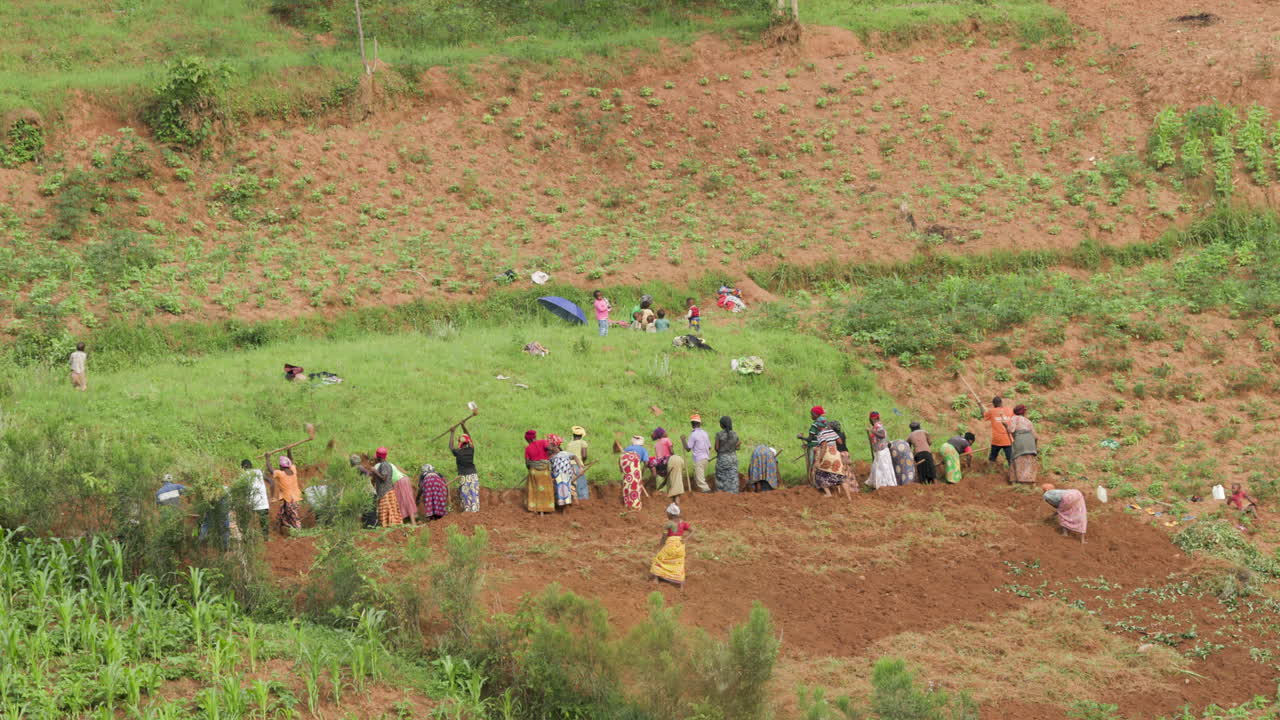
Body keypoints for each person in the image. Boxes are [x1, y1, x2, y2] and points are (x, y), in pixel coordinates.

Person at [650, 503, 692, 588]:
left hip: (671, 545)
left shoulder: (668, 524)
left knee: (658, 559)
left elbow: (664, 537)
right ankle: (680, 584)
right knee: (678, 563)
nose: (667, 515)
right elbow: (692, 531)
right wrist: (685, 539)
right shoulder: (683, 523)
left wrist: (660, 546)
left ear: (671, 514)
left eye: (667, 513)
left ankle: (656, 579)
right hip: (680, 546)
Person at [812, 424, 850, 498]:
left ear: (819, 427)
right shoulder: (832, 432)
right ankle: (849, 498)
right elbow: (840, 442)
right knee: (841, 476)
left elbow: (824, 446)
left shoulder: (820, 434)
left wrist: (819, 459)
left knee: (819, 474)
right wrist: (832, 443)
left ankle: (828, 493)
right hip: (836, 455)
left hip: (827, 455)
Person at [524, 430, 555, 515]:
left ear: (528, 439)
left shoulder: (528, 448)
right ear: (535, 437)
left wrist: (530, 469)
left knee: (534, 489)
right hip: (544, 471)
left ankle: (535, 508)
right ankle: (546, 508)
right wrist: (548, 455)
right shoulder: (543, 442)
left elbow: (527, 463)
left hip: (534, 471)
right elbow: (551, 449)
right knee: (546, 489)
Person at [449, 427, 480, 513]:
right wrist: (463, 426)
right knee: (474, 494)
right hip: (473, 476)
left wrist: (452, 432)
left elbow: (451, 447)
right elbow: (469, 436)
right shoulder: (471, 449)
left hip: (464, 477)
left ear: (460, 443)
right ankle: (475, 511)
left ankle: (467, 513)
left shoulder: (458, 452)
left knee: (466, 495)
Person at [372, 447, 403, 527]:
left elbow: (384, 478)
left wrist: (375, 471)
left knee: (386, 510)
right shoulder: (388, 464)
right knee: (391, 510)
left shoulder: (384, 465)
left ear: (378, 457)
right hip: (388, 489)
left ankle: (388, 526)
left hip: (385, 491)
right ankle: (392, 526)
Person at [1008, 405, 1038, 485]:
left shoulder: (1014, 418)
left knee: (1016, 457)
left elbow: (1011, 430)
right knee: (1029, 459)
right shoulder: (1028, 421)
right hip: (1030, 441)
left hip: (1020, 440)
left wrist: (1005, 425)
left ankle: (1015, 480)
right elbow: (1036, 437)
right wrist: (1035, 447)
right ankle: (1030, 481)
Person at [865, 412, 896, 489]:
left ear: (873, 418)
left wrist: (872, 431)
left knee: (882, 468)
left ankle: (884, 485)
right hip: (879, 450)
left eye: (870, 418)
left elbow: (882, 435)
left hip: (881, 451)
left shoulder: (878, 426)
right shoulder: (877, 425)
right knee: (879, 467)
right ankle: (880, 484)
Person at [273, 455, 304, 531]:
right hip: (294, 498)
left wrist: (267, 458)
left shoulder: (280, 474)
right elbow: (291, 460)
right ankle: (283, 529)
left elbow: (271, 470)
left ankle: (298, 531)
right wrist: (289, 450)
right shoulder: (293, 470)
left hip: (290, 500)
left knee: (293, 516)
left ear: (281, 466)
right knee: (283, 513)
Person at [682, 415, 713, 493]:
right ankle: (698, 493)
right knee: (698, 476)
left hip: (699, 459)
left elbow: (688, 449)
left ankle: (708, 493)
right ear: (700, 423)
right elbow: (709, 447)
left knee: (701, 481)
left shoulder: (693, 434)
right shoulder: (705, 433)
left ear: (692, 424)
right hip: (706, 459)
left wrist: (683, 440)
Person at [548, 435, 579, 511]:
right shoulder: (551, 456)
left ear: (555, 446)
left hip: (566, 475)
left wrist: (580, 466)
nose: (548, 447)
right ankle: (562, 504)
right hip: (556, 476)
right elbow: (549, 466)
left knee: (567, 487)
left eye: (550, 445)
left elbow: (575, 457)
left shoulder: (564, 453)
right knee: (560, 488)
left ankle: (571, 503)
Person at [240, 458, 270, 534]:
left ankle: (247, 535)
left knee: (246, 521)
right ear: (251, 466)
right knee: (264, 523)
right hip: (263, 502)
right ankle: (265, 538)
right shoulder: (259, 472)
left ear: (243, 467)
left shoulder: (244, 475)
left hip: (252, 503)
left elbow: (242, 490)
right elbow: (270, 481)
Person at [982, 396, 1014, 466]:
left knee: (992, 458)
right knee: (1010, 460)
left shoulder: (991, 411)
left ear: (994, 404)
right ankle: (1012, 471)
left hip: (997, 440)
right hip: (1008, 440)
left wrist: (980, 406)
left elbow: (984, 415)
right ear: (1001, 402)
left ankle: (990, 470)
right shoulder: (1010, 410)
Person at [620, 435, 647, 511]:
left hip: (623, 459)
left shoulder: (628, 448)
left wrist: (622, 470)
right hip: (634, 459)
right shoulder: (643, 449)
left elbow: (622, 458)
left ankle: (627, 503)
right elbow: (646, 463)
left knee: (627, 481)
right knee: (635, 483)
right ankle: (635, 505)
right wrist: (641, 473)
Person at [714, 416, 740, 493]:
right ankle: (733, 493)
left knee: (721, 476)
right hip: (733, 458)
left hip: (723, 458)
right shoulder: (735, 434)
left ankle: (722, 494)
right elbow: (738, 448)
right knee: (733, 476)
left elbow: (717, 448)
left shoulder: (719, 434)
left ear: (722, 425)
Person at [565, 426, 590, 500]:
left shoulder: (569, 444)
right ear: (581, 435)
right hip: (577, 466)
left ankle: (572, 499)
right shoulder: (582, 442)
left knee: (572, 484)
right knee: (581, 484)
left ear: (573, 435)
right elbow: (584, 455)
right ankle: (583, 500)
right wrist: (582, 463)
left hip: (568, 466)